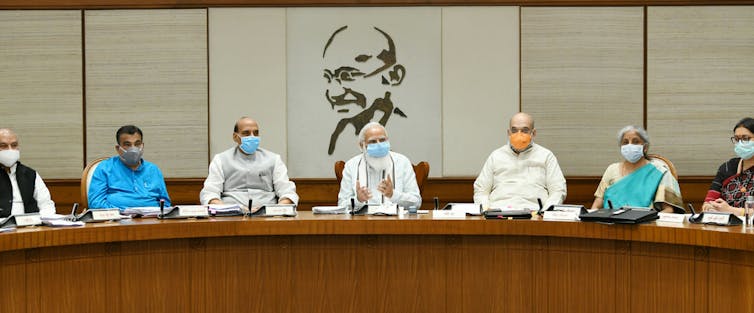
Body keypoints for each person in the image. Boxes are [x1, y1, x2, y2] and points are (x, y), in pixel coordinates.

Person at [322, 25, 408, 155]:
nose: (333, 93)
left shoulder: (407, 132)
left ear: (393, 76)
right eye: (328, 77)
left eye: (347, 76)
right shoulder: (342, 131)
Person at [474, 113, 566, 210]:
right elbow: (481, 190)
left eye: (524, 130)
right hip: (499, 215)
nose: (519, 134)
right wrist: (486, 211)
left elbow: (558, 190)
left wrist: (545, 212)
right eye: (514, 130)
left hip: (534, 215)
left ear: (533, 133)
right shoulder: (496, 156)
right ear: (509, 133)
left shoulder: (546, 156)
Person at [200, 117, 298, 207]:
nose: (252, 137)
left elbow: (287, 191)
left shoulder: (274, 159)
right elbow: (210, 193)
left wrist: (277, 209)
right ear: (235, 137)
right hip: (231, 215)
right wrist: (227, 208)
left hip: (268, 214)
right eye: (246, 133)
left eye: (256, 133)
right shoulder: (220, 160)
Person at [591, 125, 682, 212]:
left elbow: (668, 209)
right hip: (610, 223)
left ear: (645, 147)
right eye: (625, 142)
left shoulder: (659, 171)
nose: (630, 146)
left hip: (644, 224)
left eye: (635, 141)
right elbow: (597, 204)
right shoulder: (611, 169)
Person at [337, 122, 421, 210]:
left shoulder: (402, 162)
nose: (379, 145)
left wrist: (393, 195)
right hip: (363, 222)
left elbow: (416, 202)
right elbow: (341, 204)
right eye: (372, 141)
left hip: (395, 222)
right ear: (362, 145)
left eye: (382, 140)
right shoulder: (351, 165)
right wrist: (358, 200)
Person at [88, 125, 171, 210]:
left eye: (137, 144)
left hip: (152, 219)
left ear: (142, 146)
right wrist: (121, 214)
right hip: (117, 220)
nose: (133, 149)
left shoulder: (153, 170)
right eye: (127, 144)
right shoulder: (104, 168)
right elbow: (96, 203)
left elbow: (165, 203)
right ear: (118, 148)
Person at [703, 117, 754, 215]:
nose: (740, 143)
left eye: (746, 138)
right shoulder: (727, 167)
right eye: (737, 139)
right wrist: (710, 207)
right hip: (726, 225)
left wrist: (732, 210)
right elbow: (709, 201)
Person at [0, 128, 55, 217]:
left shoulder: (30, 174)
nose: (10, 150)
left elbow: (46, 205)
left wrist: (41, 222)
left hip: (30, 227)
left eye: (14, 145)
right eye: (3, 146)